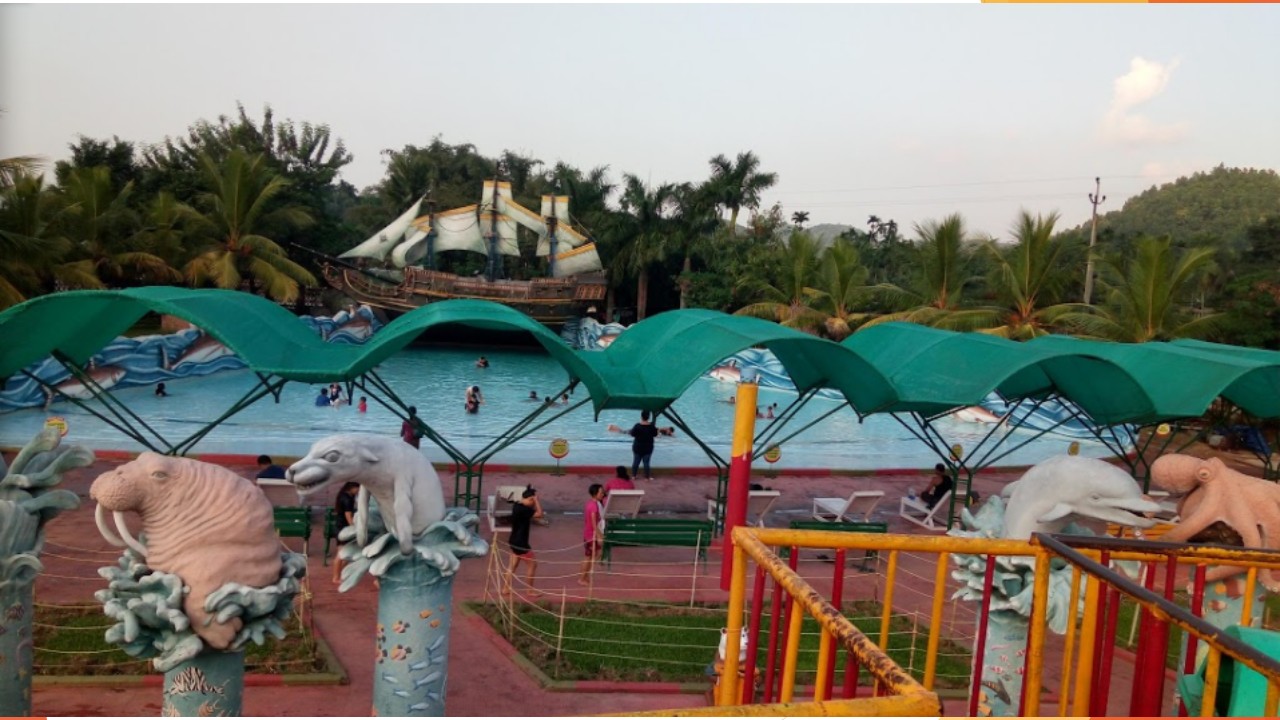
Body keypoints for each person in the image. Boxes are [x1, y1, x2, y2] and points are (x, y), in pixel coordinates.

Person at [505, 485, 540, 596]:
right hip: (521, 543)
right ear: (530, 499)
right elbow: (539, 514)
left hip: (513, 540)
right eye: (533, 501)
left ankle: (505, 588)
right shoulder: (525, 510)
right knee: (533, 565)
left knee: (512, 565)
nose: (533, 503)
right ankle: (529, 590)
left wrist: (533, 499)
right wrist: (537, 501)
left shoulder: (517, 505)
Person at [332, 482, 359, 584]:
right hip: (343, 528)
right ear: (352, 487)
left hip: (340, 526)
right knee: (341, 554)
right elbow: (348, 515)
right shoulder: (348, 499)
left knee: (347, 553)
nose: (358, 491)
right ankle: (336, 577)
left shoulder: (344, 496)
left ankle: (339, 573)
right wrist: (353, 528)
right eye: (358, 488)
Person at [580, 484, 606, 585]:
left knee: (593, 555)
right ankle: (582, 578)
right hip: (591, 535)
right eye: (601, 492)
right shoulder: (594, 506)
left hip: (588, 534)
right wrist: (600, 536)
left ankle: (585, 575)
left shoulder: (590, 503)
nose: (603, 494)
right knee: (590, 557)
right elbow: (594, 523)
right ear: (595, 494)